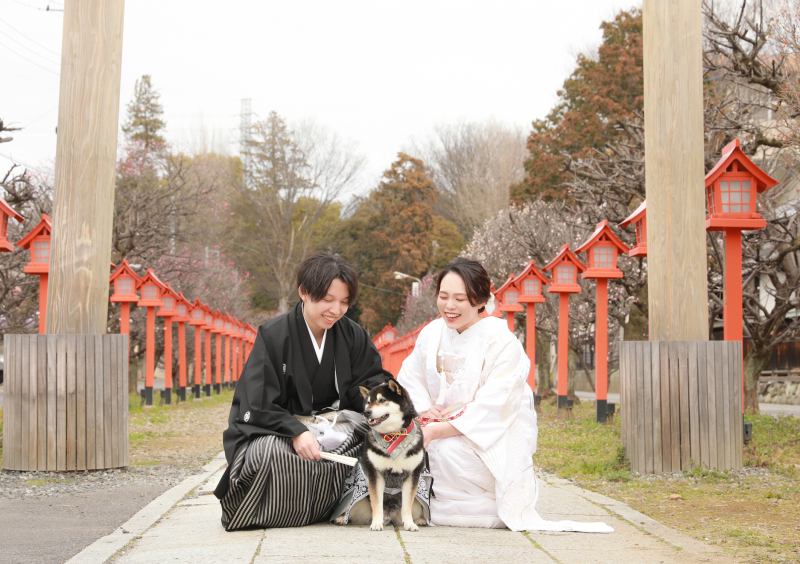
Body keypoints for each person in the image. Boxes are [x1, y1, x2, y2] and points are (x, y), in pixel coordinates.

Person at [397, 257, 613, 533]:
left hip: (486, 435)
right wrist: (424, 409)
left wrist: (439, 431)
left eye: (460, 299)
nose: (449, 306)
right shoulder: (431, 333)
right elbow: (410, 377)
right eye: (443, 296)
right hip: (438, 424)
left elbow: (496, 406)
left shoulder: (502, 341)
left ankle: (471, 503)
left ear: (480, 300)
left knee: (446, 452)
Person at [214, 253, 393, 531]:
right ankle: (326, 502)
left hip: (337, 429)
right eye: (327, 300)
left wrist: (388, 409)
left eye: (344, 302)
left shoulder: (353, 334)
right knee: (267, 455)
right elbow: (257, 401)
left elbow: (371, 386)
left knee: (380, 444)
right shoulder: (273, 334)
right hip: (283, 435)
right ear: (304, 293)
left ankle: (324, 501)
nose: (336, 310)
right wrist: (295, 431)